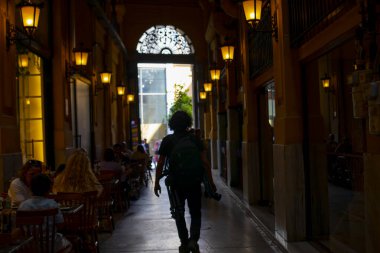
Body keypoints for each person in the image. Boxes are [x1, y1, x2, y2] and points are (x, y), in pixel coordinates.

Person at [154, 111, 216, 253]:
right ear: (188, 123)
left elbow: (161, 163)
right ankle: (193, 241)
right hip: (194, 181)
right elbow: (205, 162)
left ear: (172, 124)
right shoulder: (194, 139)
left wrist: (156, 182)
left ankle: (184, 241)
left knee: (178, 212)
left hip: (176, 183)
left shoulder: (168, 140)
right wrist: (211, 182)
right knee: (195, 212)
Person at [18, 174, 72, 252]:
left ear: (30, 188)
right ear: (49, 189)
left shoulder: (23, 205)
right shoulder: (52, 204)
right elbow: (60, 225)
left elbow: (20, 228)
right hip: (51, 245)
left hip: (30, 246)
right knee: (69, 245)